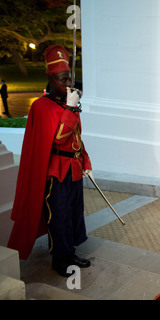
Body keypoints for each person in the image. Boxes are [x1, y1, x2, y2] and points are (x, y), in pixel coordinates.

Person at [8, 45, 92, 277]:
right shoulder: (42, 106)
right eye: (63, 79)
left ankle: (70, 251)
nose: (68, 83)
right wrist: (71, 109)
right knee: (59, 214)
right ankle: (60, 258)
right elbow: (59, 138)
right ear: (51, 79)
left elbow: (77, 139)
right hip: (56, 170)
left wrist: (86, 163)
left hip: (73, 168)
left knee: (74, 212)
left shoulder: (66, 104)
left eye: (70, 78)